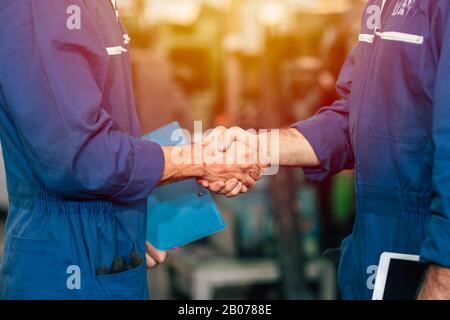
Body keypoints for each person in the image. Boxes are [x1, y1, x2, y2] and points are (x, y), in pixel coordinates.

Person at [0, 0, 262, 299]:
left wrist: (126, 221)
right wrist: (200, 160)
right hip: (68, 262)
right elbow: (79, 158)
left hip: (107, 248)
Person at [201, 0, 450, 300]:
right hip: (376, 250)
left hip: (428, 251)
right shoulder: (380, 6)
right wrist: (258, 147)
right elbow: (356, 119)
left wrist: (443, 275)